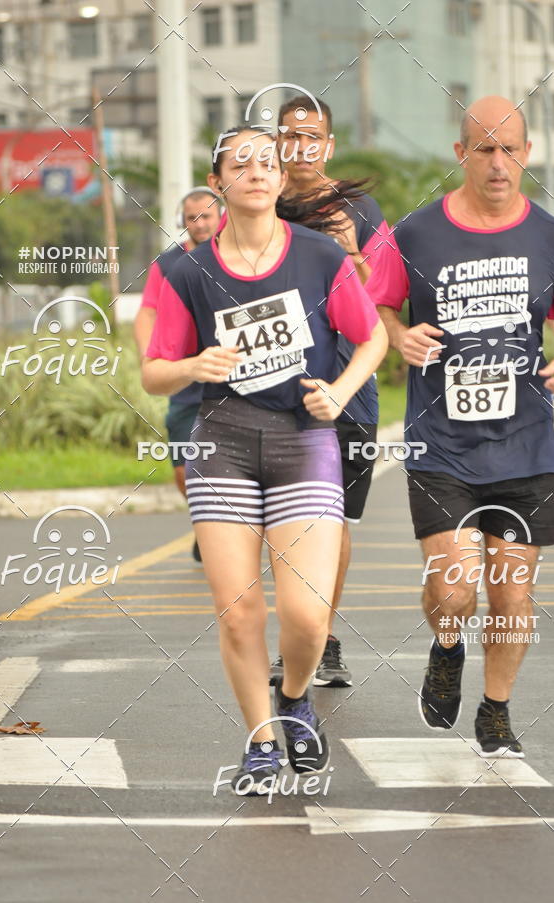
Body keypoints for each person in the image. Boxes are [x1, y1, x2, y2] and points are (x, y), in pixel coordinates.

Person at [142, 126, 388, 794]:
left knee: (306, 615)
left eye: (268, 161)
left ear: (282, 181)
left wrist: (339, 392)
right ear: (218, 180)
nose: (256, 169)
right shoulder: (186, 270)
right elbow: (154, 374)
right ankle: (258, 741)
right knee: (240, 610)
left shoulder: (316, 256)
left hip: (301, 438)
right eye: (240, 161)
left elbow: (373, 336)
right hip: (221, 439)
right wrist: (193, 363)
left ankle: (296, 695)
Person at [367, 95, 554, 758]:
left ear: (527, 154)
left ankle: (496, 708)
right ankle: (446, 644)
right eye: (484, 148)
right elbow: (371, 308)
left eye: (509, 148)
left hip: (526, 443)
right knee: (455, 588)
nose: (497, 162)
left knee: (513, 594)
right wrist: (398, 336)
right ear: (460, 153)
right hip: (442, 443)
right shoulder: (414, 235)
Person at [267, 94, 389, 689]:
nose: (301, 147)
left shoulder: (363, 210)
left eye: (313, 135)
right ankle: (296, 634)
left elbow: (387, 301)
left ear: (330, 144)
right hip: (274, 391)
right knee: (286, 523)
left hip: (350, 391)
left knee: (334, 524)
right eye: (290, 135)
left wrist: (350, 252)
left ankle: (324, 637)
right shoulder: (259, 201)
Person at [134, 188, 223, 561]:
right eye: (192, 218)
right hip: (184, 379)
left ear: (221, 217)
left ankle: (224, 530)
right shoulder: (169, 264)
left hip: (231, 376)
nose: (200, 224)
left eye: (206, 216)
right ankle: (207, 521)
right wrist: (150, 359)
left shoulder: (236, 257)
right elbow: (147, 312)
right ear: (182, 222)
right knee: (184, 471)